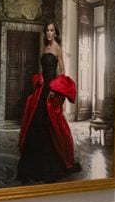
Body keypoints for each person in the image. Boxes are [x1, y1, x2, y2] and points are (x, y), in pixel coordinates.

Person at [16, 22, 80, 183]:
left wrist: (55, 89)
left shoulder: (57, 47)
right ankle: (33, 167)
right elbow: (43, 69)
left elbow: (62, 71)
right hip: (42, 88)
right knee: (35, 123)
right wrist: (42, 78)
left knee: (50, 123)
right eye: (47, 30)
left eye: (52, 30)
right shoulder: (44, 47)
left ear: (55, 33)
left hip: (51, 90)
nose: (49, 33)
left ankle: (50, 165)